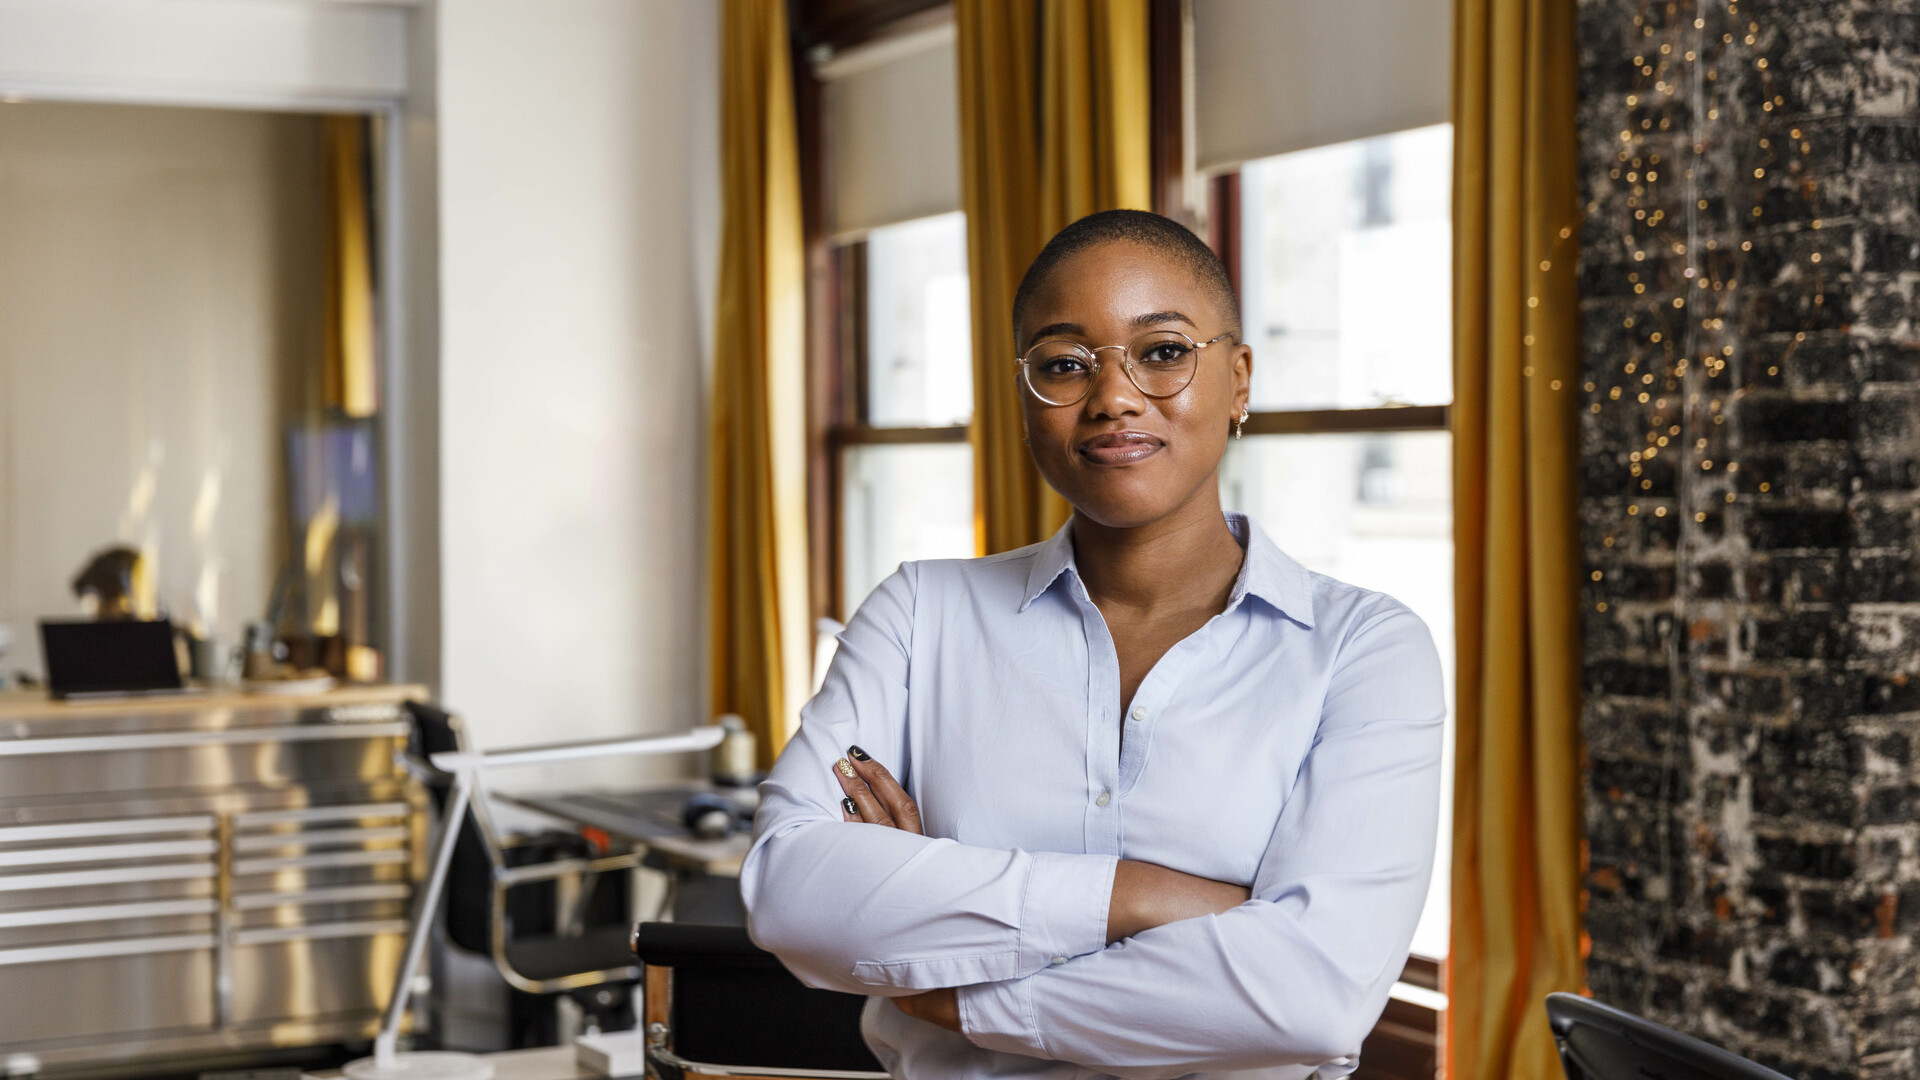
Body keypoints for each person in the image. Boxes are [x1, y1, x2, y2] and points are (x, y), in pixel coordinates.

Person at [740, 209, 1445, 1080]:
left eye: (1162, 352)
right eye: (1066, 365)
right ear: (1025, 397)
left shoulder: (1364, 651)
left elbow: (1312, 994)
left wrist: (955, 983)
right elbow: (789, 894)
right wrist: (1144, 898)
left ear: (1239, 379)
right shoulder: (922, 615)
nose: (1113, 397)